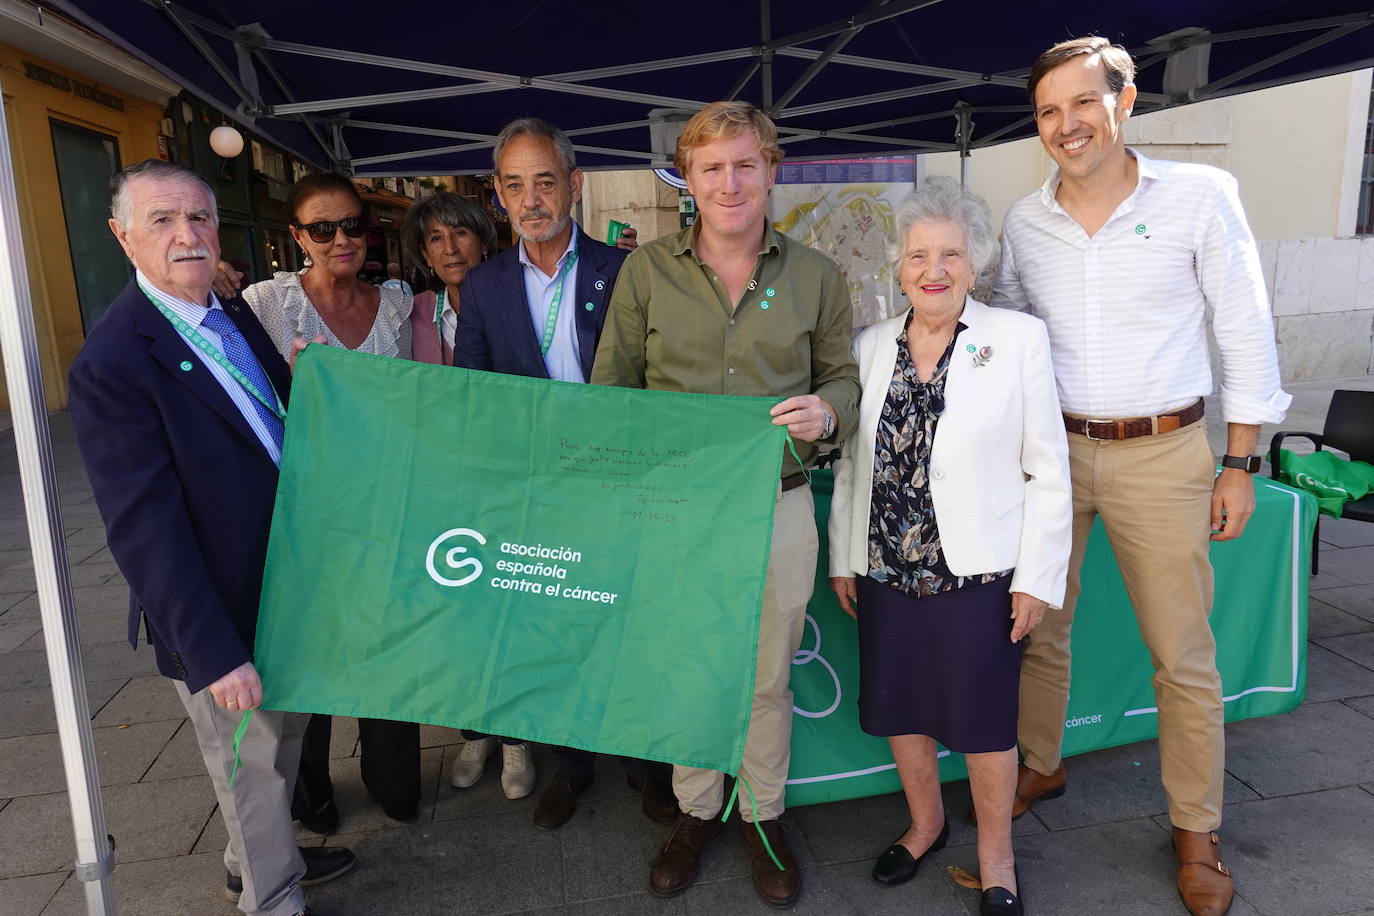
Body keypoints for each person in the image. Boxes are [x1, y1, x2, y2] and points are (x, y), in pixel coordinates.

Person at [993, 37, 1291, 916]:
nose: (1066, 125)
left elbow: (1245, 326)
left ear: (1125, 103)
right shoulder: (1023, 222)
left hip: (1165, 453)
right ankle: (1040, 765)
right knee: (1040, 627)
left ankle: (1196, 829)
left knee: (1182, 655)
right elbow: (1008, 335)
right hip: (1054, 454)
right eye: (1048, 111)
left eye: (1083, 102)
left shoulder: (1200, 196)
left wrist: (1239, 461)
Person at [67, 159, 356, 916]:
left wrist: (305, 384)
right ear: (122, 237)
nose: (186, 234)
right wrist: (214, 653)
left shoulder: (225, 310)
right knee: (250, 766)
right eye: (162, 220)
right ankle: (272, 897)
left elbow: (267, 417)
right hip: (221, 607)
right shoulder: (114, 362)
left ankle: (248, 862)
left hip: (285, 583)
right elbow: (143, 528)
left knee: (279, 747)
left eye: (198, 217)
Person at [591, 100, 861, 908]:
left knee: (767, 675)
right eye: (712, 167)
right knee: (687, 668)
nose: (730, 182)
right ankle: (696, 809)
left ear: (772, 169)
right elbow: (612, 389)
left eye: (746, 164)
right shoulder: (646, 272)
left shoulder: (817, 275)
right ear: (689, 177)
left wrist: (829, 413)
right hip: (676, 508)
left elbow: (843, 378)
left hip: (778, 502)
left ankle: (763, 815)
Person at [828, 177, 1071, 916]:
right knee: (902, 707)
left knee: (986, 723)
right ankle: (926, 825)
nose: (933, 270)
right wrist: (844, 557)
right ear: (899, 267)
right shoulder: (869, 345)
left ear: (976, 262)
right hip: (885, 569)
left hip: (979, 574)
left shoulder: (1018, 339)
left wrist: (1037, 579)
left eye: (951, 255)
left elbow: (1048, 468)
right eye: (918, 255)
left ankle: (997, 857)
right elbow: (853, 464)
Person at [452, 117, 673, 829]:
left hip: (619, 481)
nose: (531, 199)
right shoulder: (484, 286)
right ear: (498, 194)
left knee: (630, 622)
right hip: (538, 490)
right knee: (556, 626)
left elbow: (657, 376)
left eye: (545, 181)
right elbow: (473, 392)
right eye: (515, 185)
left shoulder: (626, 269)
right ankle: (572, 764)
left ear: (574, 186)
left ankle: (646, 764)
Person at [241, 172, 421, 831]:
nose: (341, 238)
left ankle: (394, 779)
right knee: (308, 648)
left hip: (386, 505)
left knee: (387, 641)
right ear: (297, 236)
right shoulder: (265, 303)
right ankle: (310, 791)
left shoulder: (398, 303)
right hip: (305, 509)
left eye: (352, 224)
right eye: (322, 228)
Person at [403, 192, 500, 366]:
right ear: (426, 255)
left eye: (460, 233)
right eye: (436, 238)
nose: (450, 248)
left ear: (483, 243)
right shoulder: (410, 314)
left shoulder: (514, 303)